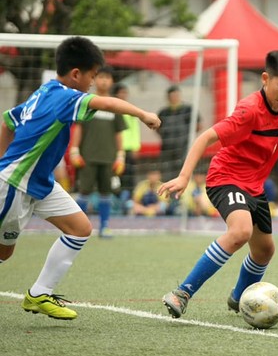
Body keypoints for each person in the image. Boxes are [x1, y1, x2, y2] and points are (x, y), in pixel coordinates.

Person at [157, 49, 278, 319]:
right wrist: (184, 177)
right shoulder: (249, 110)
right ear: (265, 79)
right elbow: (204, 138)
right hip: (225, 178)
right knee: (240, 231)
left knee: (265, 250)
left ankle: (239, 298)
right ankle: (182, 292)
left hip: (254, 187)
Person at [0, 36, 160, 320]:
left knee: (79, 228)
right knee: (3, 253)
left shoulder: (45, 91)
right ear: (76, 74)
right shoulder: (65, 96)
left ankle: (39, 294)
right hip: (16, 185)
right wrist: (142, 113)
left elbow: (8, 121)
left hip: (40, 183)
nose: (93, 82)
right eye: (92, 75)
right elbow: (106, 103)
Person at [69, 66, 127, 238]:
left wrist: (120, 155)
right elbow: (79, 128)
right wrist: (74, 150)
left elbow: (118, 133)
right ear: (94, 80)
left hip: (109, 158)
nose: (104, 81)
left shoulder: (115, 105)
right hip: (87, 157)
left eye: (107, 78)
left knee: (106, 192)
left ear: (112, 81)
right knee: (84, 191)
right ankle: (76, 228)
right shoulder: (87, 102)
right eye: (101, 77)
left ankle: (104, 226)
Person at [157, 85, 201, 181]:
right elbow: (157, 128)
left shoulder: (188, 110)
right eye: (172, 96)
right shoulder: (163, 112)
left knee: (183, 171)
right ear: (168, 97)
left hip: (183, 147)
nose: (174, 98)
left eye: (176, 95)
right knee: (167, 173)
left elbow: (198, 126)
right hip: (167, 149)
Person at [112, 82, 141, 214]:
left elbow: (135, 129)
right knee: (116, 176)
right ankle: (116, 202)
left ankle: (127, 202)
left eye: (125, 92)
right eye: (121, 92)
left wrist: (136, 147)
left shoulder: (130, 109)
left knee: (129, 176)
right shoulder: (112, 108)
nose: (124, 95)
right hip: (116, 150)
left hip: (129, 149)